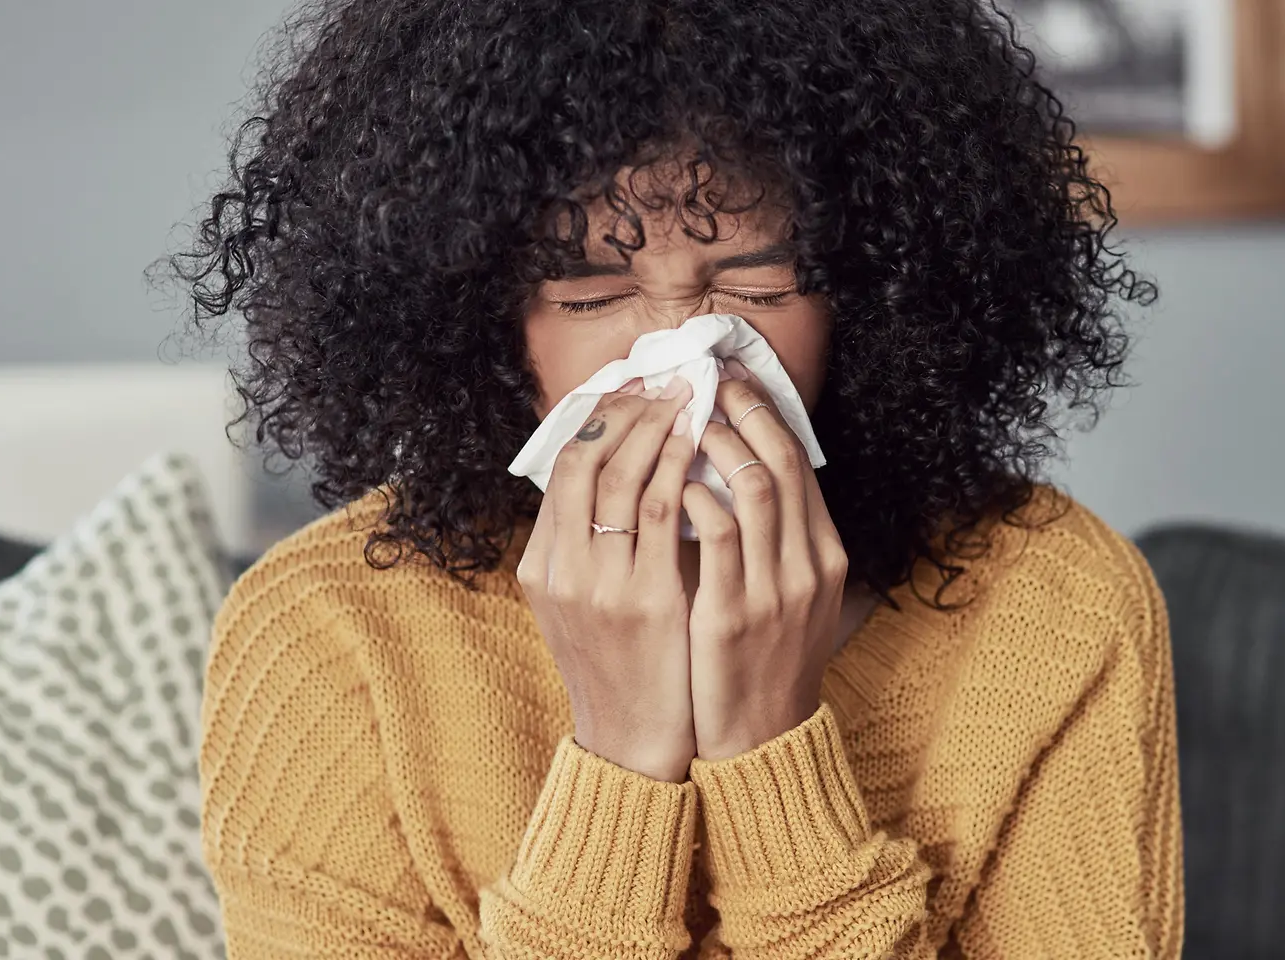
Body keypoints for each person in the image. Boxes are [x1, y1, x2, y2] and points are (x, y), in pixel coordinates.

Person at [154, 0, 1184, 955]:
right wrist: (620, 755)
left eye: (753, 284)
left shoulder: (1054, 602)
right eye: (595, 289)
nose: (682, 349)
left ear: (872, 293)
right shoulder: (329, 632)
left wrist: (770, 749)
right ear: (476, 315)